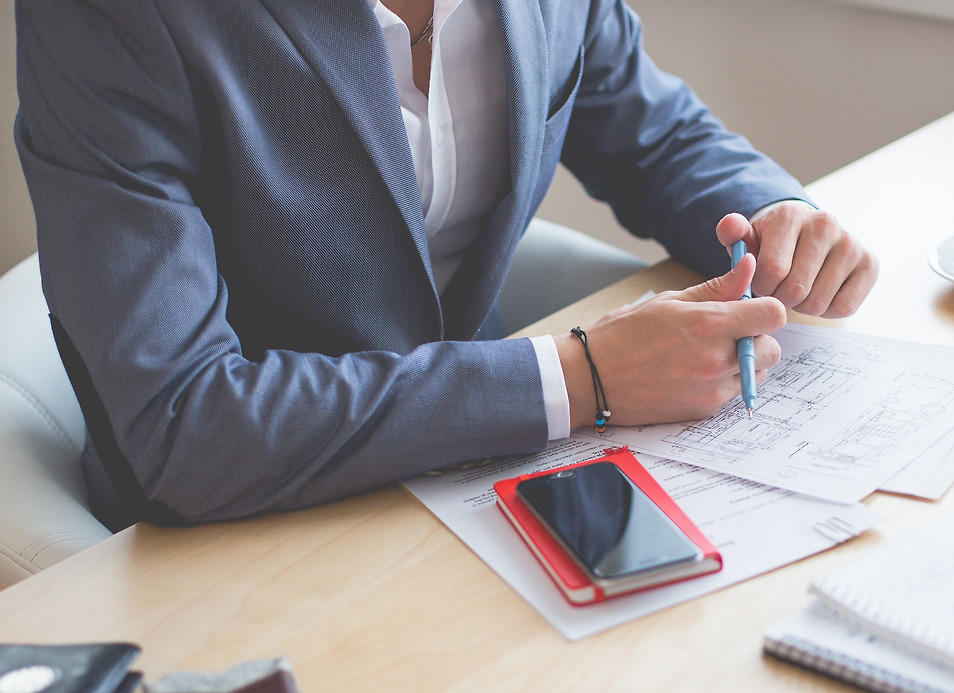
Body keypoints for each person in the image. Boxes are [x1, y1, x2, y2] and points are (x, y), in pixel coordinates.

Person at [14, 0, 878, 531]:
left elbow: (653, 135)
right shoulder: (110, 14)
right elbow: (184, 425)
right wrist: (578, 376)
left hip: (488, 481)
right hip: (244, 532)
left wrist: (773, 213)